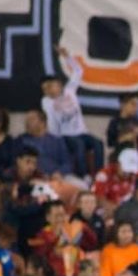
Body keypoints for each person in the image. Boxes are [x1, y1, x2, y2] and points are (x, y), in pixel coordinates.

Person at [41, 46, 103, 178]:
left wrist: (67, 57)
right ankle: (84, 176)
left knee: (98, 143)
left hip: (81, 132)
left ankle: (99, 174)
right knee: (79, 146)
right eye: (45, 89)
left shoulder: (70, 91)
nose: (48, 91)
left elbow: (78, 71)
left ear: (59, 85)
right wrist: (55, 139)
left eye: (50, 86)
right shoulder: (47, 101)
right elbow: (51, 120)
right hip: (66, 135)